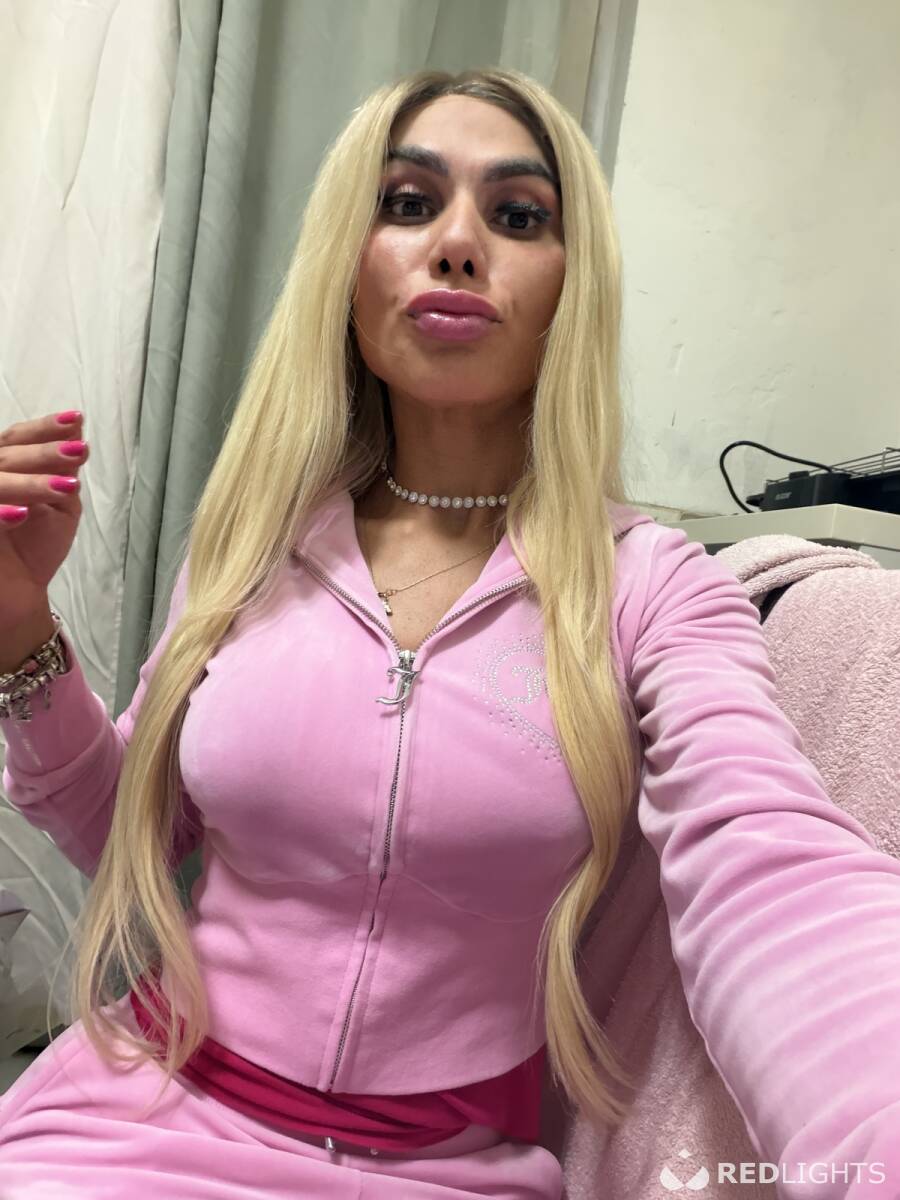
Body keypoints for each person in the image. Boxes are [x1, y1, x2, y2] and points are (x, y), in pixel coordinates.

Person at [1, 67, 899, 1200]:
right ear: (348, 266)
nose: (459, 243)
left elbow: (768, 864)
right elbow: (129, 831)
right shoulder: (252, 547)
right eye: (408, 203)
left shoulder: (652, 590)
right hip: (131, 1121)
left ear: (574, 283)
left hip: (448, 1170)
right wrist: (20, 632)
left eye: (518, 216)